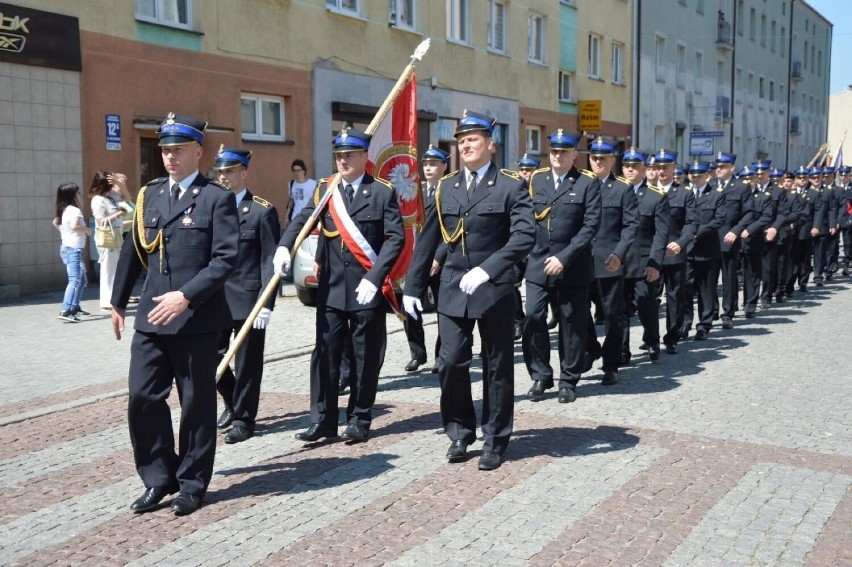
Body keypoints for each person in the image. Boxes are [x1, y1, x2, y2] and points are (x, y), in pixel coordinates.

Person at [110, 113, 239, 516]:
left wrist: (186, 295)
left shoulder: (216, 197)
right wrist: (116, 302)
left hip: (196, 317)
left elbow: (225, 260)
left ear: (198, 151)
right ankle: (158, 477)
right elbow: (134, 248)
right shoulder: (150, 194)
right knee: (143, 396)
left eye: (178, 150)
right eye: (165, 150)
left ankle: (192, 484)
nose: (169, 157)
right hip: (151, 316)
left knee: (197, 402)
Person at [403, 111, 534, 470]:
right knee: (451, 363)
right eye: (461, 140)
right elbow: (428, 236)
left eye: (473, 138)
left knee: (497, 366)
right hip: (452, 289)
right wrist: (412, 286)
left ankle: (495, 438)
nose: (466, 144)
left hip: (493, 289)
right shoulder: (447, 186)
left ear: (491, 144)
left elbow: (525, 235)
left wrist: (489, 269)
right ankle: (460, 431)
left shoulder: (510, 185)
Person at [274, 128, 404, 444]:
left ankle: (359, 418)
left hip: (365, 289)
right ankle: (323, 420)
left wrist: (375, 280)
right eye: (339, 156)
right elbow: (301, 221)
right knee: (325, 355)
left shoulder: (382, 192)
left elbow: (396, 238)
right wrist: (284, 246)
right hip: (331, 289)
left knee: (363, 356)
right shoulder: (325, 189)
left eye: (349, 155)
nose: (343, 161)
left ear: (363, 157)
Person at [522, 130, 599, 403]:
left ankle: (568, 379)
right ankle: (541, 374)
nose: (558, 156)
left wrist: (564, 257)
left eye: (564, 151)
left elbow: (590, 226)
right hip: (537, 262)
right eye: (554, 151)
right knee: (532, 316)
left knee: (571, 323)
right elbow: (525, 219)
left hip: (572, 266)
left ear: (575, 154)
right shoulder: (537, 180)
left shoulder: (587, 183)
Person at [212, 145, 281, 444]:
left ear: (244, 173)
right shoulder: (210, 207)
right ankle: (232, 400)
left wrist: (267, 302)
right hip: (213, 299)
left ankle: (244, 419)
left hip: (248, 299)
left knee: (248, 363)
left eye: (229, 171)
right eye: (220, 172)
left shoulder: (261, 211)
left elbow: (269, 260)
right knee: (210, 359)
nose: (224, 177)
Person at [583, 137, 638, 385]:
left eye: (603, 158)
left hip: (610, 261)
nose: (598, 162)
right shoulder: (581, 184)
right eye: (594, 157)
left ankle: (611, 363)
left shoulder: (622, 189)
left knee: (613, 315)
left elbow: (630, 227)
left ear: (612, 160)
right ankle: (591, 347)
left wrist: (619, 254)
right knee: (577, 312)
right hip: (581, 260)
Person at [402, 144, 449, 373]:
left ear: (444, 167)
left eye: (433, 164)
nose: (428, 168)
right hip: (416, 259)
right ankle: (417, 353)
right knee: (409, 306)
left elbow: (452, 230)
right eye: (426, 164)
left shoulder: (449, 190)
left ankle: (442, 355)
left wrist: (438, 258)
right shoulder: (415, 192)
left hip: (441, 260)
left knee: (445, 311)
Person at [620, 148, 669, 362]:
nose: (630, 170)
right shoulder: (615, 192)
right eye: (626, 166)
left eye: (635, 166)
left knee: (645, 304)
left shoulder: (655, 197)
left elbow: (661, 233)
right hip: (617, 261)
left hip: (643, 261)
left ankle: (652, 339)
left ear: (643, 169)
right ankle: (621, 350)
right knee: (618, 309)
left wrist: (655, 263)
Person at [653, 149, 698, 353]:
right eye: (658, 167)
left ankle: (672, 336)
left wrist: (680, 243)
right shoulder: (647, 191)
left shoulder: (684, 193)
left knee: (674, 295)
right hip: (651, 253)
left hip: (674, 252)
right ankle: (651, 336)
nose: (661, 171)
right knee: (649, 297)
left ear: (673, 168)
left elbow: (691, 223)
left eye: (665, 167)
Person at [685, 161, 726, 340]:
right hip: (686, 249)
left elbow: (719, 220)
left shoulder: (716, 195)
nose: (695, 179)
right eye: (693, 176)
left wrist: (697, 233)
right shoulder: (685, 194)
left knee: (706, 288)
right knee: (685, 287)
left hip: (706, 248)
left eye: (699, 176)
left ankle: (704, 324)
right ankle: (685, 323)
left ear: (707, 176)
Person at [714, 152, 754, 329]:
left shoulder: (740, 187)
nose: (719, 169)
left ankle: (728, 312)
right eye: (717, 166)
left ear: (732, 168)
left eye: (723, 166)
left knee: (729, 278)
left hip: (729, 239)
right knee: (709, 279)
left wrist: (736, 231)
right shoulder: (711, 185)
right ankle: (711, 309)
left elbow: (748, 214)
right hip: (710, 239)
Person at [89, 170, 128, 311]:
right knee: (108, 269)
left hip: (116, 235)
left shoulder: (111, 197)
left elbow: (128, 197)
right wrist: (119, 213)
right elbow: (100, 221)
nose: (112, 186)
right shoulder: (98, 200)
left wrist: (119, 183)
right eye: (110, 183)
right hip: (106, 237)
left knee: (115, 268)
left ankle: (113, 298)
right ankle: (106, 300)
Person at [53, 182, 89, 322]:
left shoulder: (64, 210)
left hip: (67, 247)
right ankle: (65, 310)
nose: (80, 195)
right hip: (73, 249)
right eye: (78, 193)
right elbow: (74, 226)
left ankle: (74, 307)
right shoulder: (75, 210)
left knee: (82, 279)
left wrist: (64, 233)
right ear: (72, 195)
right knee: (74, 280)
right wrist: (87, 230)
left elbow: (55, 222)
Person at [285, 158, 316, 230]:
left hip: (308, 217)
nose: (296, 173)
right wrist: (287, 217)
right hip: (295, 217)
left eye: (298, 170)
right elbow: (291, 202)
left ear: (304, 170)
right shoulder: (291, 184)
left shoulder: (313, 184)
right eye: (294, 170)